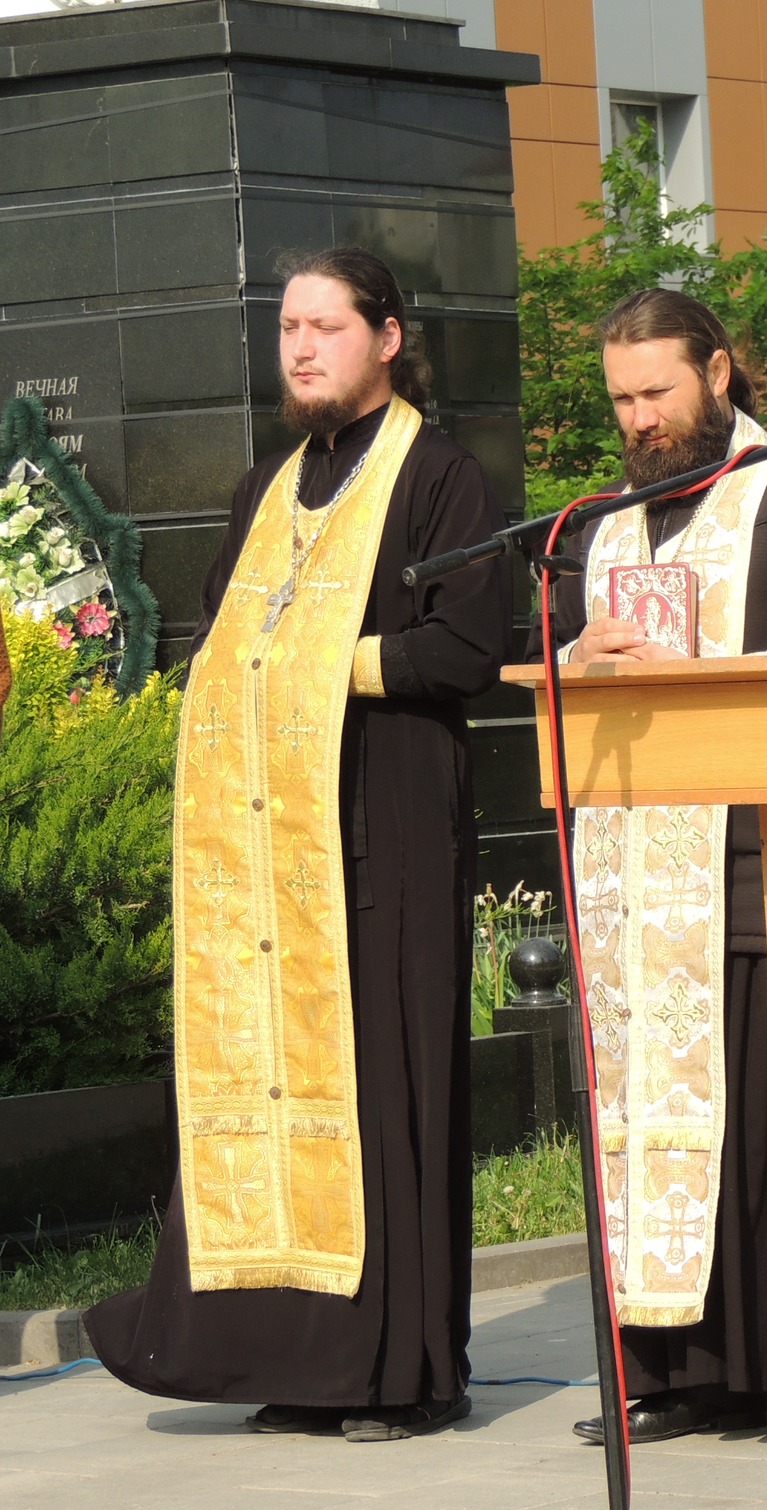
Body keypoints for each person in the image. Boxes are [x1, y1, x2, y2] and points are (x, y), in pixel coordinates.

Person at [84, 247, 514, 1441]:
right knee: (272, 1096)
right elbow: (226, 641)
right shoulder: (268, 486)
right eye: (289, 329)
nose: (303, 349)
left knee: (387, 1093)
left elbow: (464, 648)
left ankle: (407, 1373)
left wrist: (325, 664)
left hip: (390, 831)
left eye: (327, 326)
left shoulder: (440, 476)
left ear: (388, 337)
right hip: (270, 854)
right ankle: (292, 1360)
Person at [534, 288, 767, 1451]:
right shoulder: (602, 523)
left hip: (759, 860)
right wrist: (577, 652)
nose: (638, 419)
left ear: (720, 373)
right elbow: (550, 666)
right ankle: (690, 1377)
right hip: (636, 873)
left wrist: (714, 669)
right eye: (621, 400)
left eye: (657, 392)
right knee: (658, 1131)